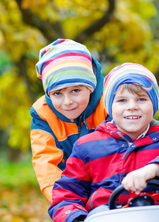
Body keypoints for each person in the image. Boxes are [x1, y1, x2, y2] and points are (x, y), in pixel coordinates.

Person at [48, 63, 159, 222]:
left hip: (158, 219)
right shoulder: (87, 146)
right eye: (122, 100)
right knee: (96, 217)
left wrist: (152, 170)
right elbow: (66, 193)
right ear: (110, 107)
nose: (132, 106)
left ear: (153, 105)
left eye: (141, 99)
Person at [31, 39, 110, 202]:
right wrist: (63, 202)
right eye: (57, 93)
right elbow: (45, 162)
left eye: (75, 90)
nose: (67, 102)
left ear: (91, 86)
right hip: (71, 190)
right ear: (48, 94)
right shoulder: (43, 113)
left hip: (115, 187)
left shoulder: (110, 103)